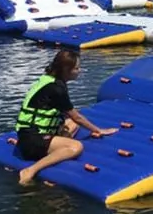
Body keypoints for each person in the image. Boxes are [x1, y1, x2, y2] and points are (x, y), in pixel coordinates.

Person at [14, 50, 117, 186]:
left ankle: (55, 145)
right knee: (76, 147)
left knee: (72, 125)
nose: (79, 71)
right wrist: (98, 130)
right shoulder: (56, 88)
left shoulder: (48, 80)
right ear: (65, 69)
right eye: (76, 68)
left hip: (29, 133)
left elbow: (70, 118)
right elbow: (76, 116)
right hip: (32, 142)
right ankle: (31, 170)